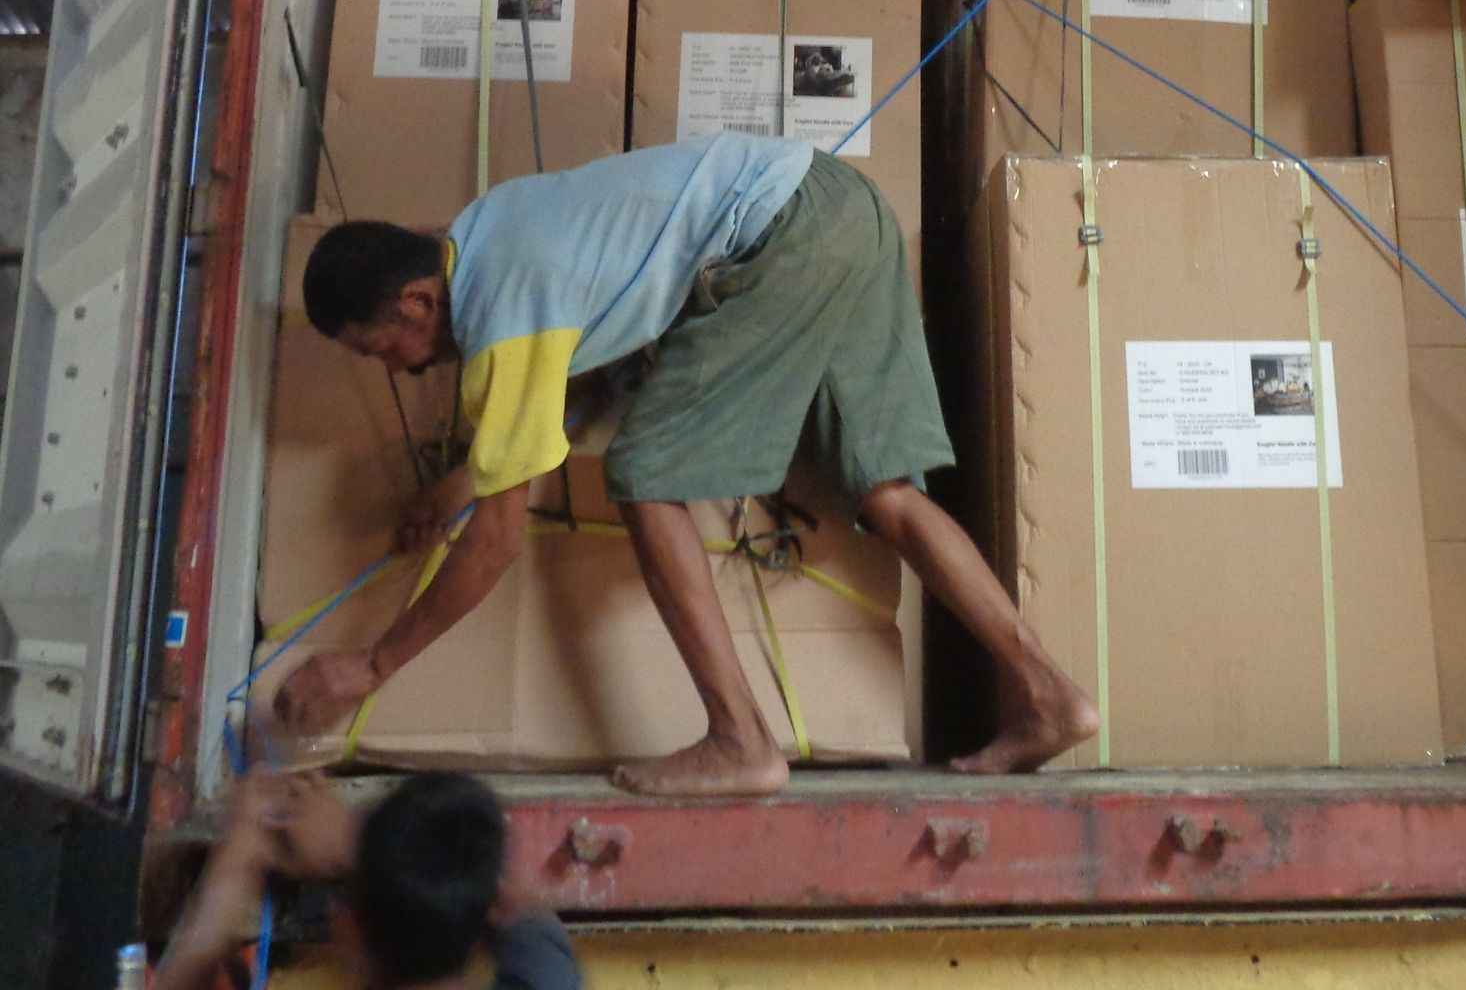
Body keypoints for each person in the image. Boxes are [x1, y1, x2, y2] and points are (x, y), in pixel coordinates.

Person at [273, 133, 1098, 796]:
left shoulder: (501, 313)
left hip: (780, 235)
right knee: (885, 493)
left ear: (418, 301)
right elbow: (572, 394)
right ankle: (1051, 696)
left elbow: (495, 545)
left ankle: (740, 739)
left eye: (382, 350)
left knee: (646, 475)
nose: (396, 370)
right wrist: (460, 484)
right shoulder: (489, 229)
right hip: (842, 201)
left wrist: (372, 665)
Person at [156, 769, 578, 989]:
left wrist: (239, 857)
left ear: (348, 926)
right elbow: (527, 917)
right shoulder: (544, 976)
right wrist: (365, 849)